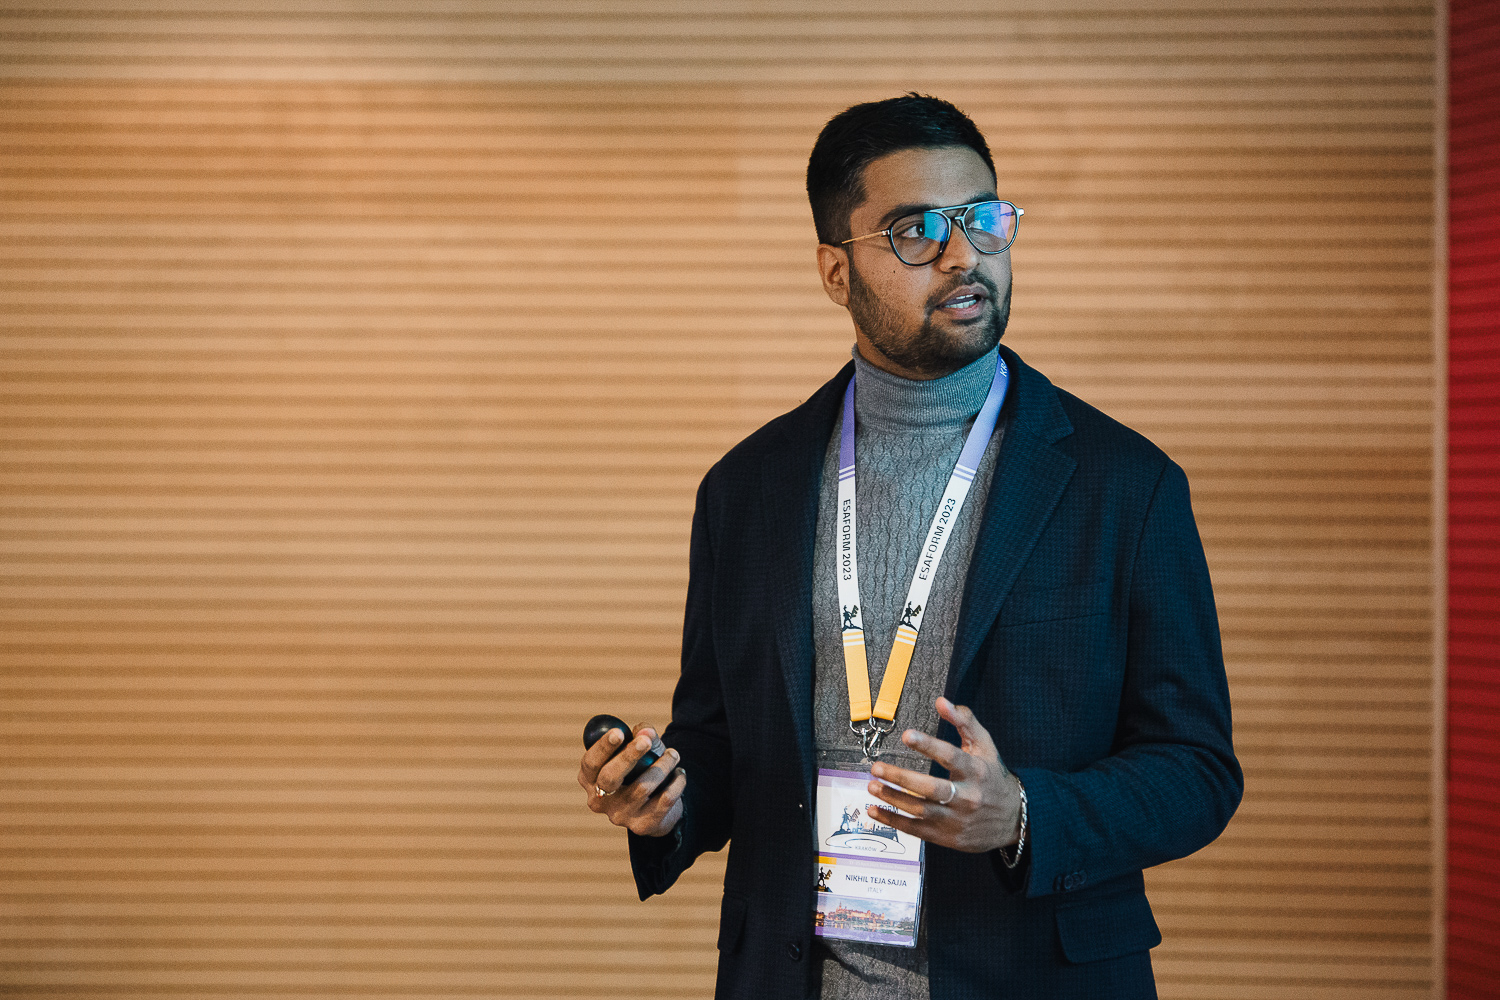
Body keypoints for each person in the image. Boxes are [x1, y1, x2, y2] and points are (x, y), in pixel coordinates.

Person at [576, 93, 1242, 1000]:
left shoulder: (1126, 485)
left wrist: (1023, 814)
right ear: (836, 271)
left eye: (982, 219)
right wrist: (664, 799)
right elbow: (723, 740)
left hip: (1032, 977)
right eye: (916, 231)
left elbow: (1196, 771)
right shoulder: (746, 489)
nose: (964, 254)